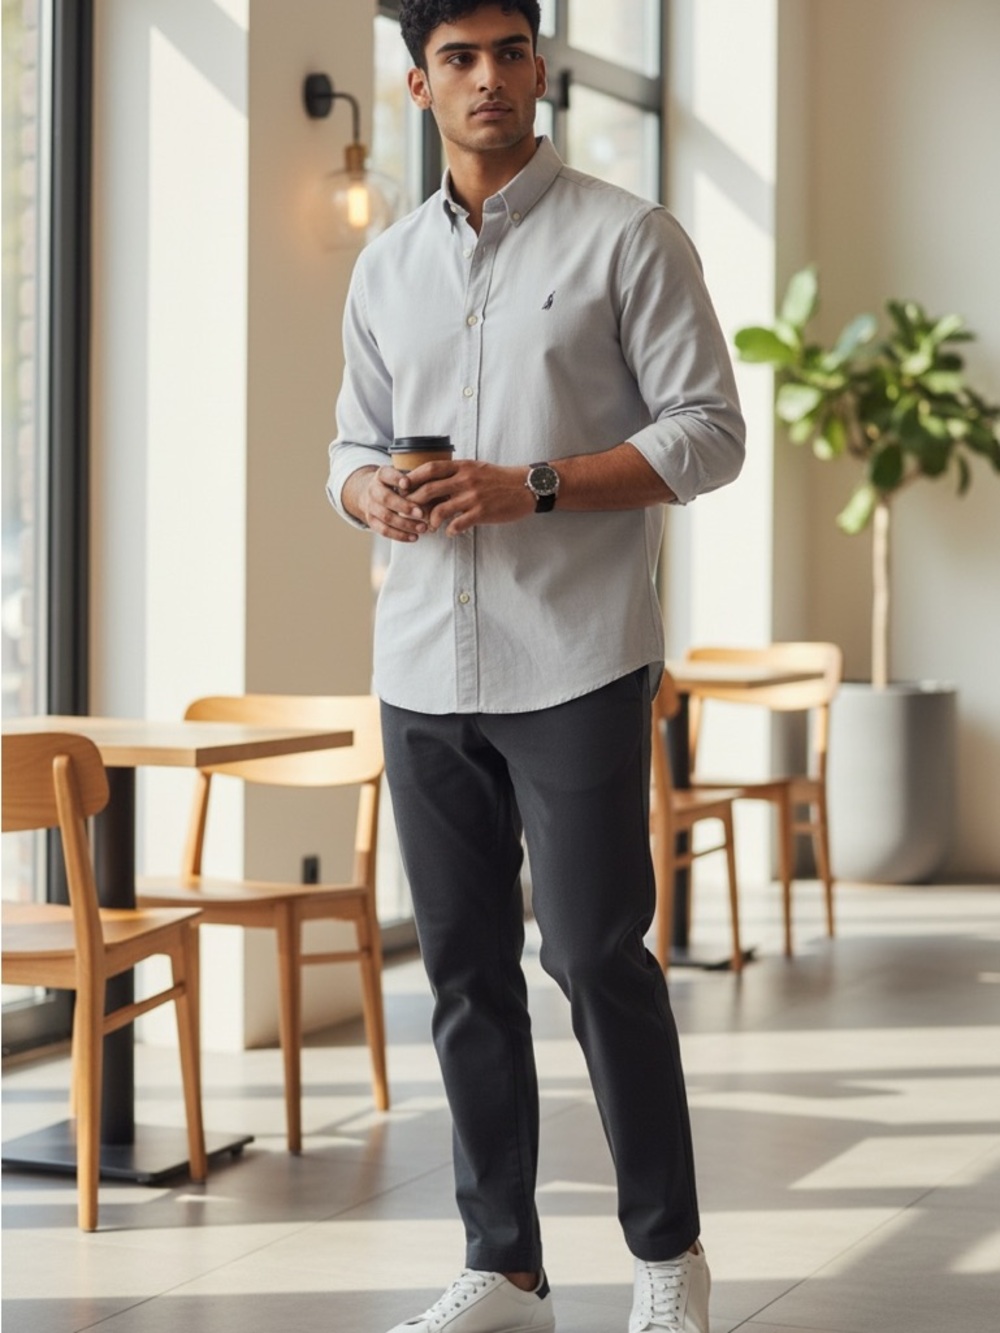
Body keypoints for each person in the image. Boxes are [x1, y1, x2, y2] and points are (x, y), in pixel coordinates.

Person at [326, 3, 745, 1329]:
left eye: (511, 51)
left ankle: (668, 1255)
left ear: (541, 68)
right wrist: (370, 499)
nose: (491, 78)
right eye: (461, 57)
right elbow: (347, 445)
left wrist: (537, 487)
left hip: (572, 661)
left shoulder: (629, 237)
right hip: (420, 668)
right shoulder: (384, 268)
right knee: (462, 973)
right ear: (418, 83)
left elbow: (711, 433)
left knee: (595, 954)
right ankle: (502, 1260)